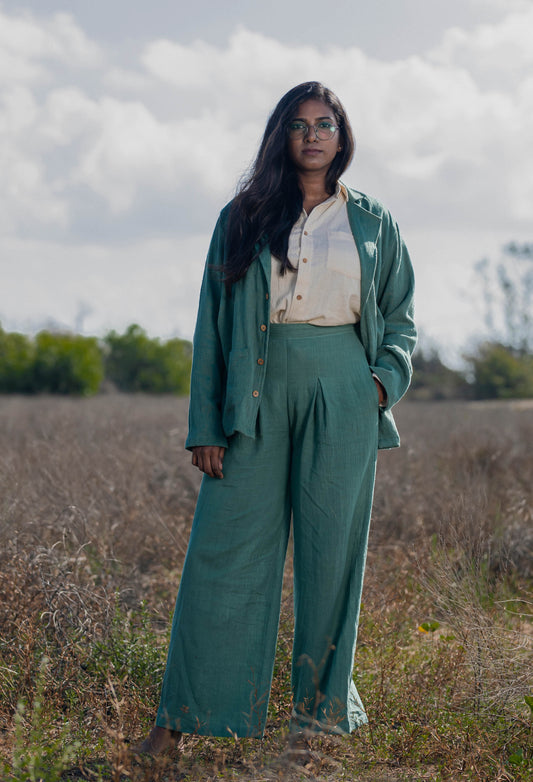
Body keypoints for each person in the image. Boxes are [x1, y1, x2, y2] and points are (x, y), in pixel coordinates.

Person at [135, 81, 416, 755]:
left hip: (341, 390)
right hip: (252, 398)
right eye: (298, 124)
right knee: (221, 556)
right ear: (280, 136)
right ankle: (174, 726)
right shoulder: (243, 215)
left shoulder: (372, 220)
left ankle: (313, 731)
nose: (312, 134)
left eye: (325, 124)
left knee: (331, 560)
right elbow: (211, 324)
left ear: (341, 138)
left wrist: (379, 385)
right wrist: (204, 423)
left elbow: (400, 317)